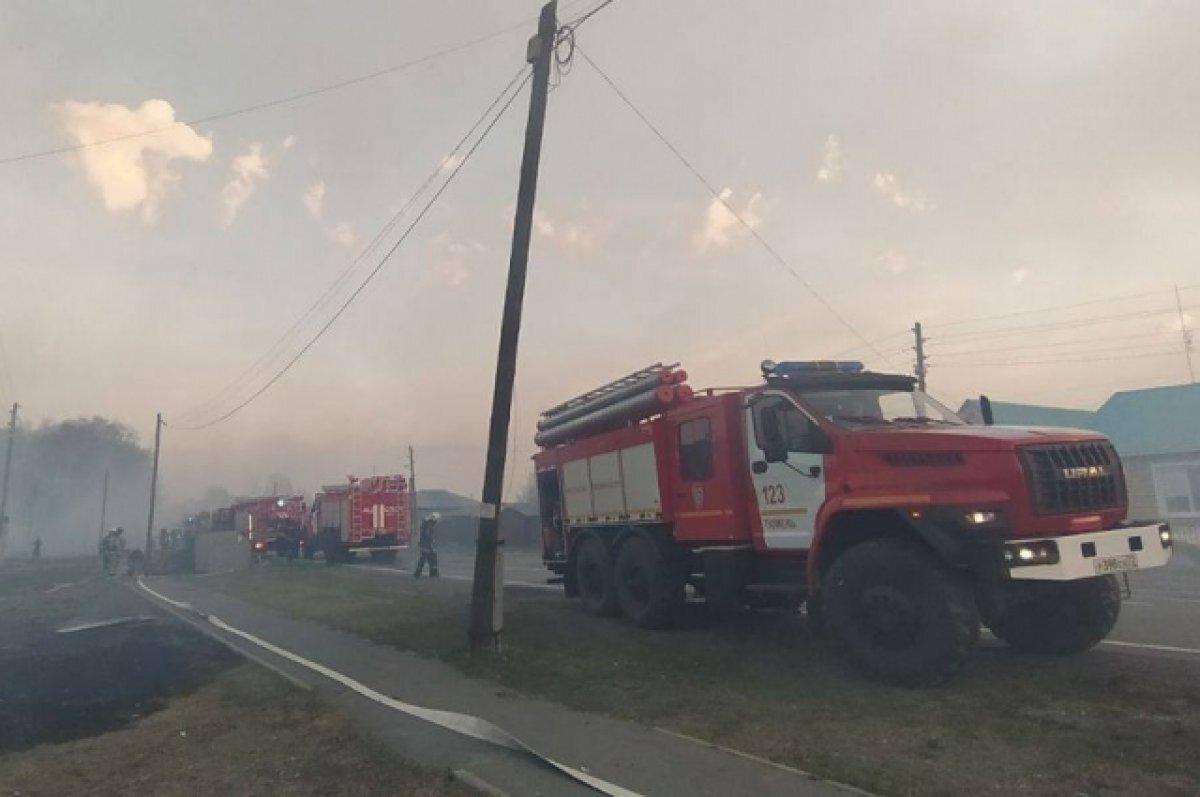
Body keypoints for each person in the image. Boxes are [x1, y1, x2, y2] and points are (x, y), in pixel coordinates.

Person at [413, 513, 440, 579]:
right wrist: (431, 546)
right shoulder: (428, 525)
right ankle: (430, 573)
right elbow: (428, 536)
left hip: (426, 545)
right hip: (427, 545)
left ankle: (432, 573)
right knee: (426, 559)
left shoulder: (427, 524)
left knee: (429, 559)